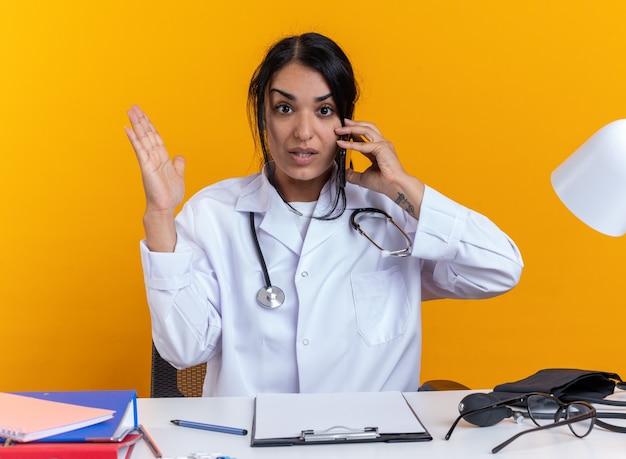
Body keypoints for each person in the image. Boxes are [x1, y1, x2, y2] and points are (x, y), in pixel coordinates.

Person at [125, 32, 523, 397]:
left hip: (371, 444)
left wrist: (406, 188)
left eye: (324, 110)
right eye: (284, 108)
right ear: (263, 119)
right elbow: (184, 350)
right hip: (250, 444)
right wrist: (160, 216)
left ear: (346, 121)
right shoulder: (213, 215)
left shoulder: (391, 213)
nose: (303, 131)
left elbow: (500, 268)